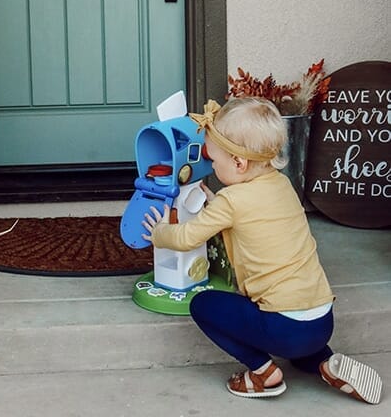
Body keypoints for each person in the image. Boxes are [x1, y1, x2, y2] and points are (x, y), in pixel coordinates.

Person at [142, 97, 383, 404]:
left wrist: (160, 233)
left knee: (203, 305)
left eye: (215, 162)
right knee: (298, 340)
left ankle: (262, 372)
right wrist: (215, 203)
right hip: (321, 322)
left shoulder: (232, 201)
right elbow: (253, 219)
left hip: (283, 328)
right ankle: (323, 363)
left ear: (239, 164)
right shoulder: (282, 185)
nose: (212, 168)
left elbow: (187, 236)